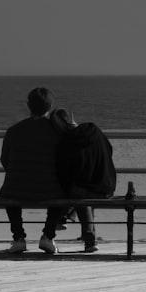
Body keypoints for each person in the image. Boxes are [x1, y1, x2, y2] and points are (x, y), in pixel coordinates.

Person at [0, 87, 69, 254]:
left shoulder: (14, 130)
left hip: (16, 189)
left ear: (28, 105)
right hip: (49, 190)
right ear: (51, 106)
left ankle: (18, 238)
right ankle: (48, 236)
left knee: (10, 190)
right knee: (61, 191)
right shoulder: (58, 131)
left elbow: (4, 160)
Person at [51, 107, 117, 252]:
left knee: (78, 193)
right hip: (108, 185)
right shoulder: (95, 130)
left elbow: (66, 172)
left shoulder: (69, 142)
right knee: (82, 191)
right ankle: (67, 218)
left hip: (89, 190)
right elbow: (109, 150)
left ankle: (89, 239)